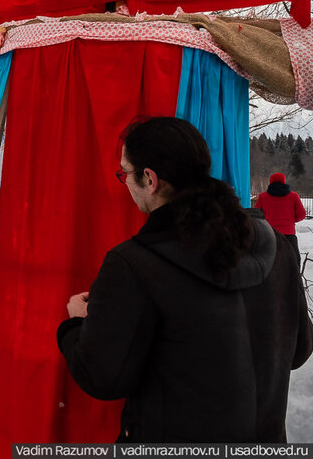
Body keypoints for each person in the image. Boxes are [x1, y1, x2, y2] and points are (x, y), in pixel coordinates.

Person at [58, 117, 313, 443]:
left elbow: (103, 377)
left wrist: (76, 325)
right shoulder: (275, 244)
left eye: (125, 173)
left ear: (149, 178)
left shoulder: (133, 264)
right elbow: (299, 350)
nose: (124, 183)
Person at [257, 172, 307, 257]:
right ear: (284, 181)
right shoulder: (294, 196)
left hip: (269, 233)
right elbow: (302, 214)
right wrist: (290, 221)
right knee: (294, 259)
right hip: (289, 235)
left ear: (270, 182)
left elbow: (257, 214)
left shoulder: (262, 197)